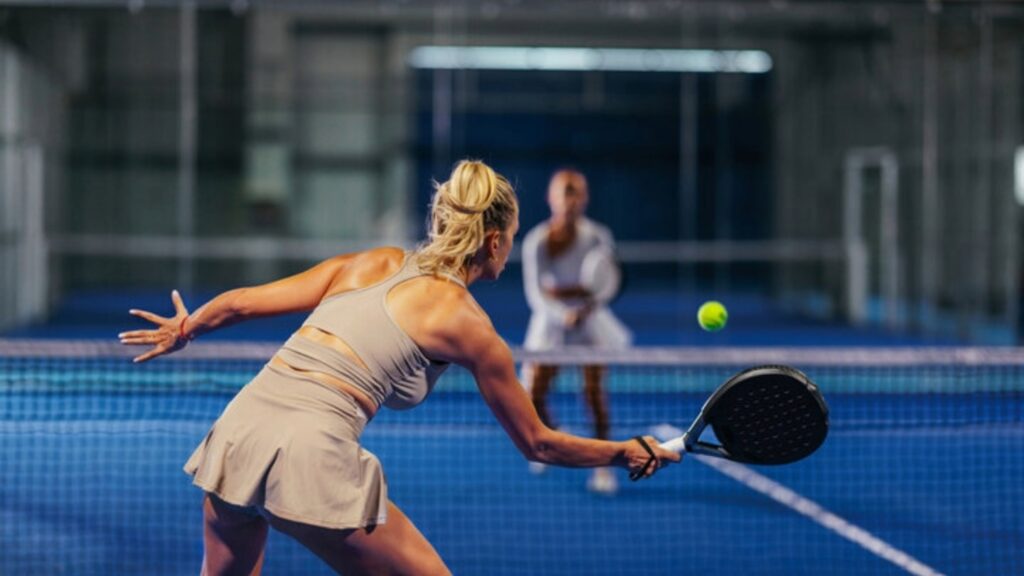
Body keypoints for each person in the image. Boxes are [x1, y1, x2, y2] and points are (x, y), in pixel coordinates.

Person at [118, 160, 678, 576]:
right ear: (493, 240)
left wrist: (184, 329)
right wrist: (624, 449)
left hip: (238, 432)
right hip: (310, 451)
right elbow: (539, 444)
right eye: (509, 237)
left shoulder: (373, 261)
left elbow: (240, 303)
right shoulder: (471, 326)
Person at [521, 168, 633, 495]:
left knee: (594, 395)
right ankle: (554, 441)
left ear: (584, 199)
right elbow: (535, 293)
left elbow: (605, 286)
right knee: (533, 394)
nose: (570, 201)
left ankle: (602, 467)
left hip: (590, 323)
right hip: (550, 325)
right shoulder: (536, 241)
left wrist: (582, 306)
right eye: (564, 193)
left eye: (576, 194)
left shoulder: (599, 236)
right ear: (550, 199)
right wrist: (562, 310)